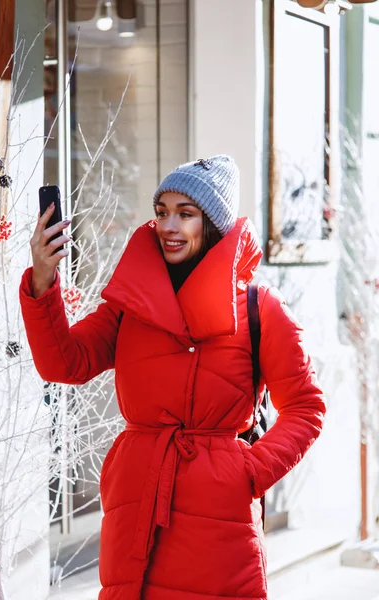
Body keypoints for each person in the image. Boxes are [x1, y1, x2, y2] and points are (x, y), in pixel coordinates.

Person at [20, 155, 325, 600]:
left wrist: (248, 472)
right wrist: (43, 283)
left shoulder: (261, 309)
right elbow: (66, 363)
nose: (168, 226)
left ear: (213, 224)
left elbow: (305, 407)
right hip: (136, 504)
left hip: (219, 522)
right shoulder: (132, 304)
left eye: (186, 214)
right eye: (162, 212)